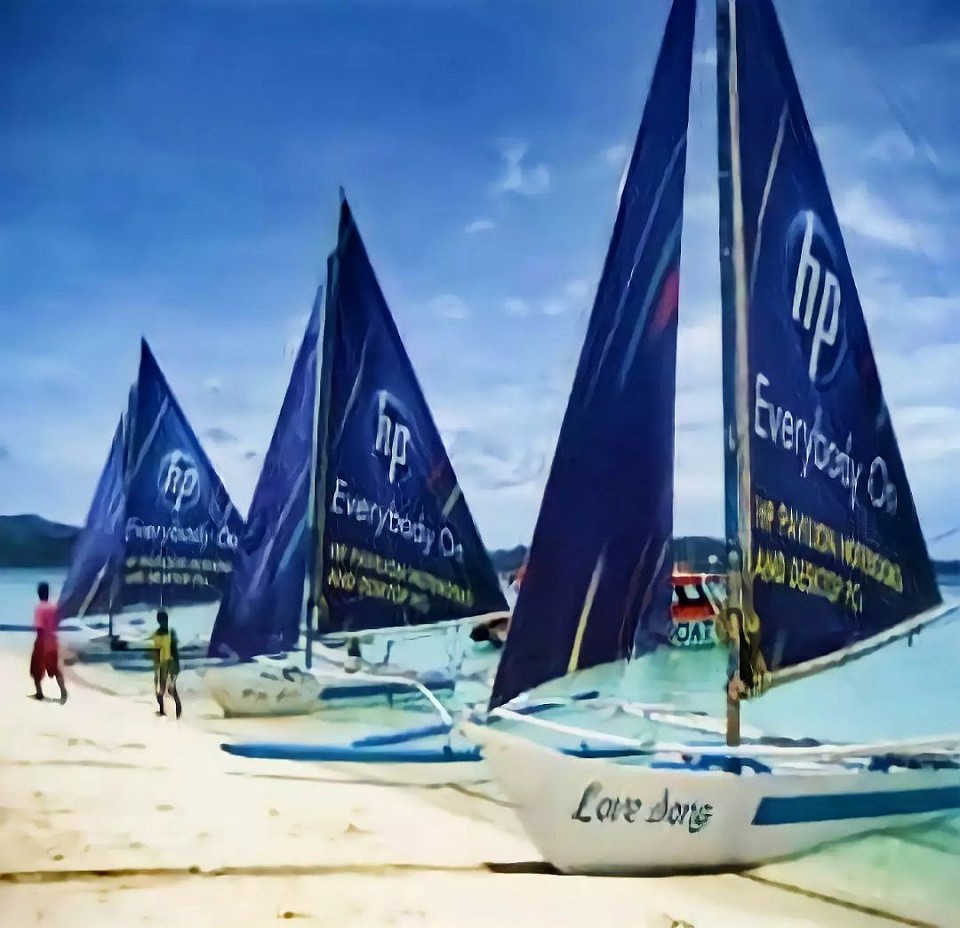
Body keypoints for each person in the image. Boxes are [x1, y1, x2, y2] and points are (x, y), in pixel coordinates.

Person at [30, 582, 67, 704]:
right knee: (55, 669)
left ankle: (39, 693)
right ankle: (63, 693)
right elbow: (57, 624)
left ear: (38, 593)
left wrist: (38, 643)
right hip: (53, 642)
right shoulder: (54, 607)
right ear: (47, 593)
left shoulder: (39, 608)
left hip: (42, 642)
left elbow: (40, 628)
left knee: (36, 669)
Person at [151, 611, 182, 718]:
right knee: (161, 690)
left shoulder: (170, 632)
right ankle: (162, 711)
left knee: (171, 689)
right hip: (163, 664)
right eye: (162, 621)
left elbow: (174, 650)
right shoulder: (158, 634)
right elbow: (156, 650)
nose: (164, 623)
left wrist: (176, 665)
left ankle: (178, 714)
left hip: (170, 663)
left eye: (165, 621)